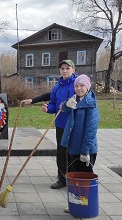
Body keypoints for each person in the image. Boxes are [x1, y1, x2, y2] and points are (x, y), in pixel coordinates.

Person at [60, 74, 99, 212]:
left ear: (87, 87)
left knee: (85, 179)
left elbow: (91, 130)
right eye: (76, 86)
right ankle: (75, 204)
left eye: (82, 85)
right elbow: (64, 109)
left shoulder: (91, 104)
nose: (79, 88)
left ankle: (86, 206)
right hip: (73, 147)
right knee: (74, 177)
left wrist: (85, 151)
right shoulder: (75, 99)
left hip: (86, 149)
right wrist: (65, 104)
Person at [41, 60, 78, 189]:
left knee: (73, 152)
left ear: (73, 69)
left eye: (67, 68)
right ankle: (62, 179)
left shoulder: (77, 84)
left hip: (74, 124)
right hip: (61, 124)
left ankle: (74, 178)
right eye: (62, 68)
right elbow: (53, 103)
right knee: (61, 152)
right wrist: (48, 108)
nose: (64, 70)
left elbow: (82, 100)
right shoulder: (57, 86)